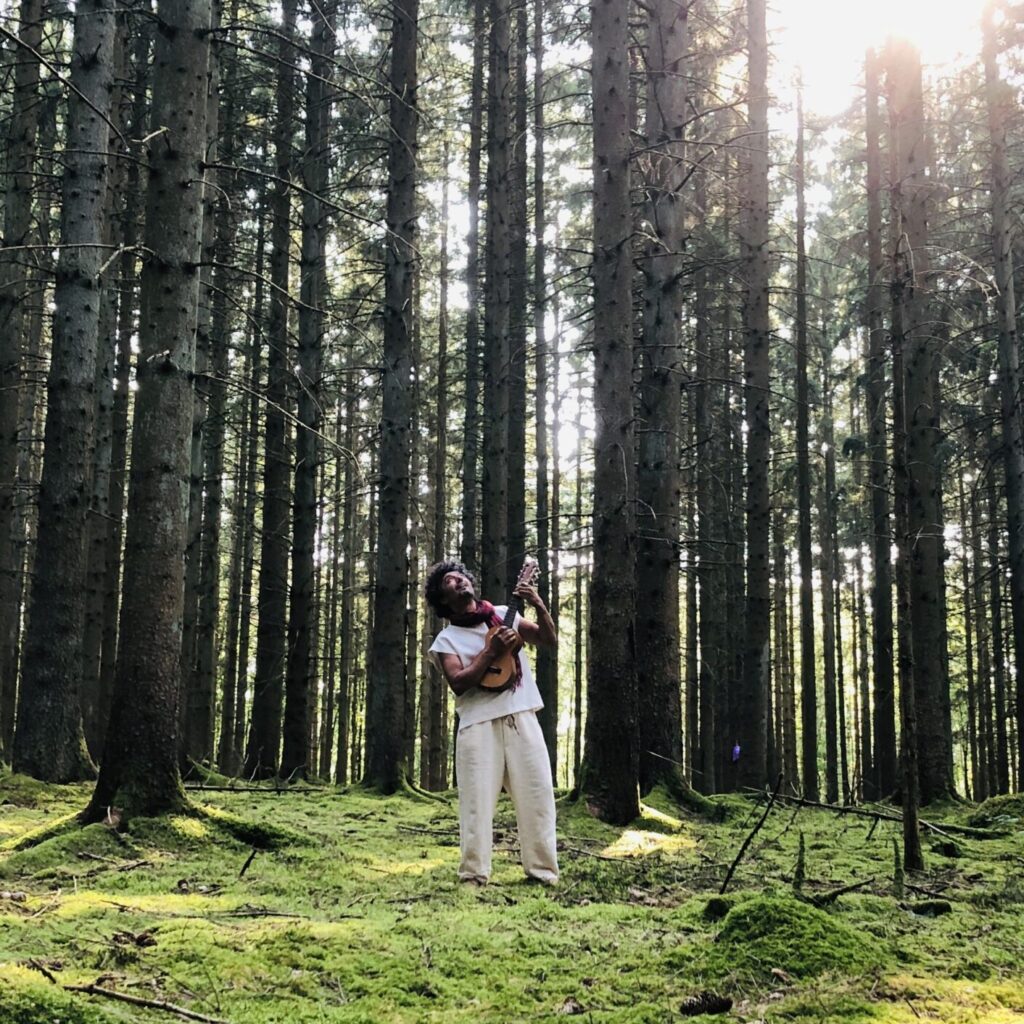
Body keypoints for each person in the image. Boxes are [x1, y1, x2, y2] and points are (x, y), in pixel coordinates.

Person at [425, 559, 559, 886]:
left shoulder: (502, 612)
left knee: (538, 796)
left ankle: (542, 873)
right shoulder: (446, 640)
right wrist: (491, 652)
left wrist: (538, 603)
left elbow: (548, 639)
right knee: (476, 803)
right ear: (443, 602)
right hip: (477, 725)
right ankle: (474, 874)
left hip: (522, 715)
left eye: (461, 577)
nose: (459, 583)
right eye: (449, 583)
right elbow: (458, 682)